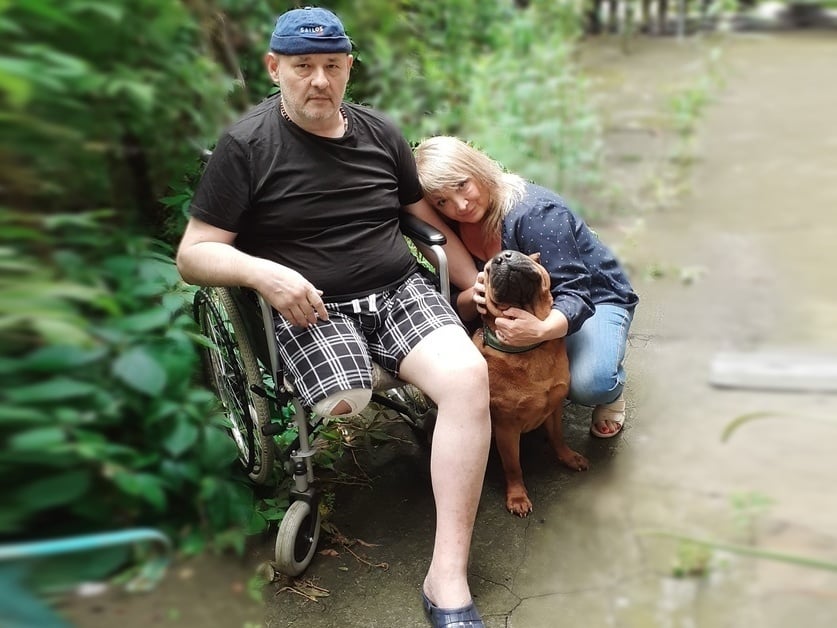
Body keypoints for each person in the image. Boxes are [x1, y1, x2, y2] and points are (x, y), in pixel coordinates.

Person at [176, 9, 489, 628]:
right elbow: (194, 254)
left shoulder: (380, 132)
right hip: (311, 305)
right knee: (346, 401)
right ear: (275, 68)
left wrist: (472, 282)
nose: (319, 80)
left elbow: (423, 218)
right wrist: (263, 273)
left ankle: (447, 575)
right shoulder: (246, 147)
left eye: (332, 65)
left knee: (467, 378)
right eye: (303, 67)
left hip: (397, 289)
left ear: (348, 68)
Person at [414, 136, 639, 438]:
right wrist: (471, 296)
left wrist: (542, 331)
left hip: (593, 297)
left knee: (590, 383)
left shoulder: (535, 213)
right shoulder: (453, 225)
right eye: (442, 201)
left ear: (478, 169)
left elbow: (576, 291)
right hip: (529, 304)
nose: (460, 205)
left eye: (462, 185)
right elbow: (456, 300)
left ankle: (611, 393)